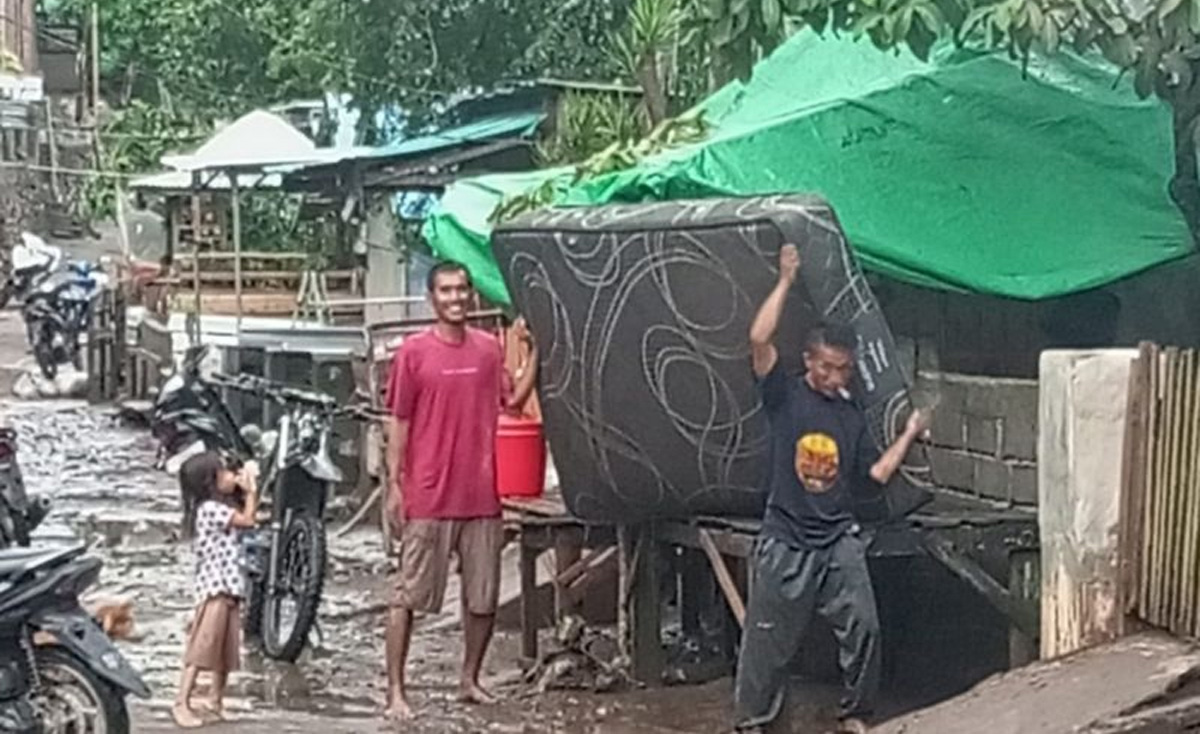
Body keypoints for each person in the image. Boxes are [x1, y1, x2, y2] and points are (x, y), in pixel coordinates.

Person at [734, 244, 929, 734]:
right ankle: (754, 721)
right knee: (767, 644)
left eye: (843, 368)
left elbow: (876, 475)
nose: (833, 376)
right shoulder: (783, 395)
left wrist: (907, 433)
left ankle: (856, 714)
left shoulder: (850, 414)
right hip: (785, 537)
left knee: (865, 627)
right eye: (825, 366)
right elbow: (758, 337)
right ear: (808, 360)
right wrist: (784, 280)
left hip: (838, 538)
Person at [383, 260, 538, 721]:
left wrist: (538, 356)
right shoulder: (413, 353)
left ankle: (470, 679)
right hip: (429, 493)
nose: (456, 298)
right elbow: (399, 421)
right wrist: (395, 485)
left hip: (482, 495)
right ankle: (395, 690)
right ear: (432, 298)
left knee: (483, 597)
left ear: (472, 296)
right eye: (446, 290)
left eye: (463, 290)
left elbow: (511, 403)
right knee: (407, 596)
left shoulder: (490, 350)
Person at [172, 451, 259, 729]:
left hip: (230, 586)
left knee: (225, 649)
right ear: (210, 481)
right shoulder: (210, 509)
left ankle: (215, 700)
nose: (231, 477)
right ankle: (181, 702)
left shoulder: (218, 508)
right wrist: (252, 491)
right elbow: (248, 520)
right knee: (202, 646)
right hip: (215, 588)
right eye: (224, 473)